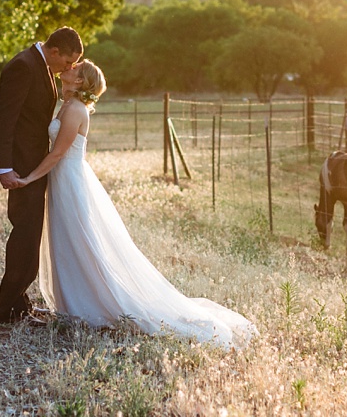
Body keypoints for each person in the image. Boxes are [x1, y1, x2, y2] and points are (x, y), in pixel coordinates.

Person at [15, 60, 256, 348]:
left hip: (70, 180)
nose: (67, 67)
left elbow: (56, 155)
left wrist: (28, 178)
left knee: (81, 239)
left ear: (79, 81)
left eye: (74, 68)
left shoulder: (76, 110)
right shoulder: (66, 103)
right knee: (65, 239)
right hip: (61, 180)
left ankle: (94, 303)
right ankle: (72, 304)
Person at [0, 27, 83, 325]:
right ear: (54, 51)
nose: (68, 69)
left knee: (30, 236)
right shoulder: (23, 65)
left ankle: (20, 303)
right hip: (21, 169)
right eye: (67, 62)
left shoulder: (42, 68)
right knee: (24, 236)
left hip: (36, 167)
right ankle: (10, 311)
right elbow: (5, 118)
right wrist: (3, 167)